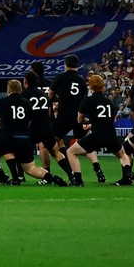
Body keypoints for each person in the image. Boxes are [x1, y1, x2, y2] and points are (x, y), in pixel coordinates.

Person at [0, 79, 66, 186]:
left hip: (7, 137)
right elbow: (29, 121)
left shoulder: (2, 101)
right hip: (24, 139)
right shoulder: (27, 103)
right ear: (20, 89)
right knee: (30, 168)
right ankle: (52, 177)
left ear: (8, 89)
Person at [65, 73, 134, 186]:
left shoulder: (88, 101)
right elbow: (107, 120)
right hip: (110, 134)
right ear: (102, 87)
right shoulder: (109, 102)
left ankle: (78, 180)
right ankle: (128, 172)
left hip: (97, 135)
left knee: (70, 152)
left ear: (91, 87)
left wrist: (88, 123)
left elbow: (79, 120)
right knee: (123, 155)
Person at [49, 55, 88, 184]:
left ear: (65, 64)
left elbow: (50, 94)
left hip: (64, 115)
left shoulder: (60, 77)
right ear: (77, 65)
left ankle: (68, 171)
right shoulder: (82, 81)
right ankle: (97, 168)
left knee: (49, 141)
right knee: (83, 144)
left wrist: (54, 102)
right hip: (77, 116)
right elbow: (84, 99)